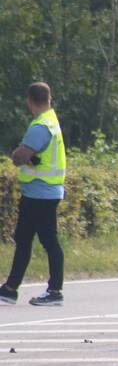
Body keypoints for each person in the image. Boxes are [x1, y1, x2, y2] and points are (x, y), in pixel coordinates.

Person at [0, 82, 67, 306]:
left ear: (30, 101)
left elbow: (19, 156)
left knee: (49, 241)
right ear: (49, 98)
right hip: (38, 192)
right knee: (23, 240)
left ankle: (55, 291)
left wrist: (20, 154)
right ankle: (10, 289)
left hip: (42, 193)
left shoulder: (40, 126)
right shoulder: (51, 121)